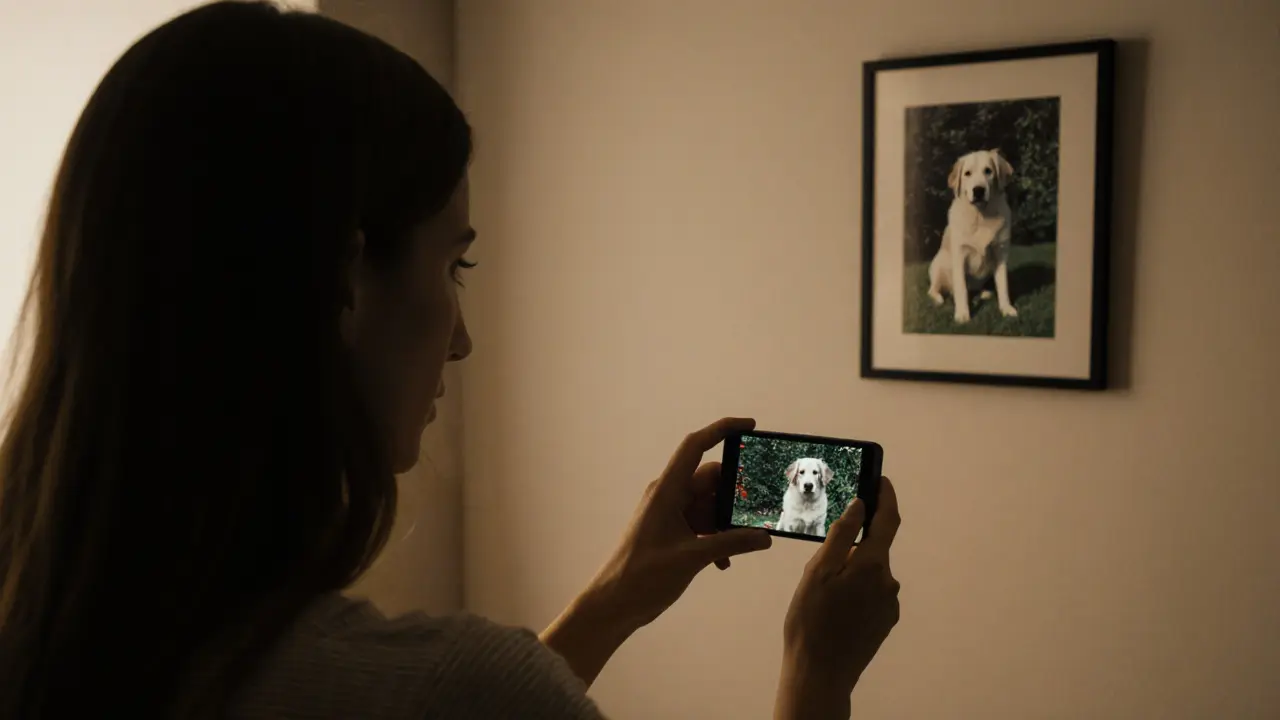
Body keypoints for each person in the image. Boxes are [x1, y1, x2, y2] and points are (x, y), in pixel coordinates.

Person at [0, 2, 902, 718]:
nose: (462, 338)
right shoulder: (455, 689)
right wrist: (816, 676)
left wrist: (613, 600)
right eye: (452, 264)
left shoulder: (54, 630)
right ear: (345, 279)